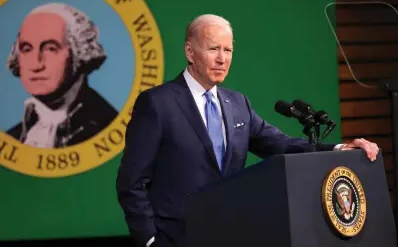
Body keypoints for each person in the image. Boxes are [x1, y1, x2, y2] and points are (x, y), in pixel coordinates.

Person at [116, 14, 379, 247]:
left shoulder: (237, 103)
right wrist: (149, 240)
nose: (222, 59)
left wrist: (339, 149)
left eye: (228, 50)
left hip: (231, 235)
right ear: (189, 51)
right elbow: (131, 182)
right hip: (177, 237)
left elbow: (282, 145)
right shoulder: (158, 103)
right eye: (213, 48)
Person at [6, 3, 118, 148]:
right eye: (27, 49)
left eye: (51, 49)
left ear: (81, 52)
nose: (36, 64)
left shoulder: (110, 129)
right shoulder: (11, 139)